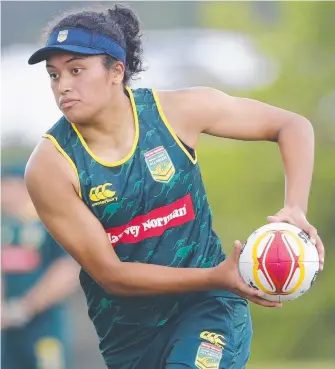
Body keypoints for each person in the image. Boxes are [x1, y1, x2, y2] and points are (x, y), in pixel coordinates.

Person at [25, 4, 325, 369]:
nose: (63, 85)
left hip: (209, 307)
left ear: (116, 71)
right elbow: (112, 275)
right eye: (54, 75)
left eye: (76, 70)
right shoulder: (51, 167)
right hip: (129, 334)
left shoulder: (177, 112)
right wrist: (219, 275)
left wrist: (294, 208)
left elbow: (292, 126)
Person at [1, 165, 79, 369]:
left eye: (5, 185)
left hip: (43, 329)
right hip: (7, 335)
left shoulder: (48, 221)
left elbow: (66, 271)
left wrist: (24, 308)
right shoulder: (5, 226)